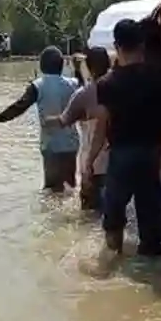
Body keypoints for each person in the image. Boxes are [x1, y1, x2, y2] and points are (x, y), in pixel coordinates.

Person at [84, 19, 161, 260]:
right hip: (155, 153)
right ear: (141, 44)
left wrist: (89, 161)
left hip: (122, 155)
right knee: (151, 215)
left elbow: (101, 126)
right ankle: (153, 265)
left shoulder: (107, 83)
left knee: (113, 217)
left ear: (116, 46)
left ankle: (114, 262)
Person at [0, 46, 82, 192]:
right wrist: (78, 68)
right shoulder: (73, 83)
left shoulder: (38, 86)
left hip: (51, 145)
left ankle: (51, 214)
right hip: (72, 143)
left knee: (51, 189)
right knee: (70, 187)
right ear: (61, 66)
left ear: (41, 66)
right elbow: (85, 90)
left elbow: (17, 108)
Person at [42, 47, 111, 210]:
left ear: (89, 66)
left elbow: (64, 120)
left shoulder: (84, 94)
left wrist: (47, 121)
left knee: (90, 216)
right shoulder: (121, 87)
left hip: (94, 164)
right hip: (118, 161)